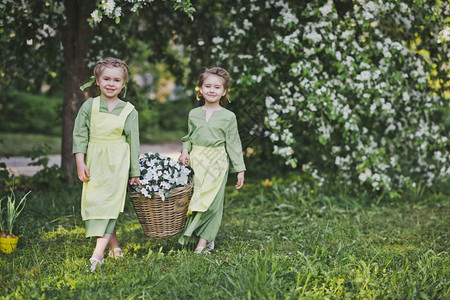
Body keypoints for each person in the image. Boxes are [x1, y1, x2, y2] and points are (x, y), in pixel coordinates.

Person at [73, 57, 140, 272]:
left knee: (111, 207)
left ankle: (97, 255)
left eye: (117, 80)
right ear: (97, 81)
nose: (111, 84)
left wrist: (134, 172)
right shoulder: (89, 106)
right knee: (96, 204)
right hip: (94, 159)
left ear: (123, 84)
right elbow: (80, 135)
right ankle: (115, 247)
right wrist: (80, 162)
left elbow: (134, 143)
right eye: (106, 79)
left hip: (118, 161)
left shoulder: (129, 110)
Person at [178, 67, 246, 254]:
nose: (212, 90)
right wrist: (185, 151)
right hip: (197, 161)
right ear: (200, 89)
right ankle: (204, 236)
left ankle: (202, 244)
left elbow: (233, 143)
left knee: (213, 202)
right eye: (207, 86)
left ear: (224, 91)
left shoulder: (228, 116)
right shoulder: (194, 114)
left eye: (217, 87)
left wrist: (239, 169)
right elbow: (189, 137)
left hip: (217, 162)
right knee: (197, 200)